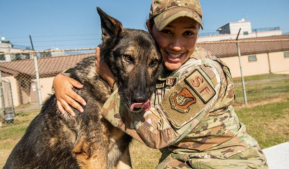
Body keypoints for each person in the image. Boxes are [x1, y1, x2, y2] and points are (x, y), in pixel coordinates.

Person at [53, 0, 268, 168]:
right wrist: (61, 78)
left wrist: (110, 81)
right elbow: (112, 59)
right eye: (167, 32)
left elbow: (156, 134)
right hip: (183, 159)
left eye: (188, 33)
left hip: (226, 161)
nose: (176, 45)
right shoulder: (158, 59)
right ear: (150, 29)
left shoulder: (203, 73)